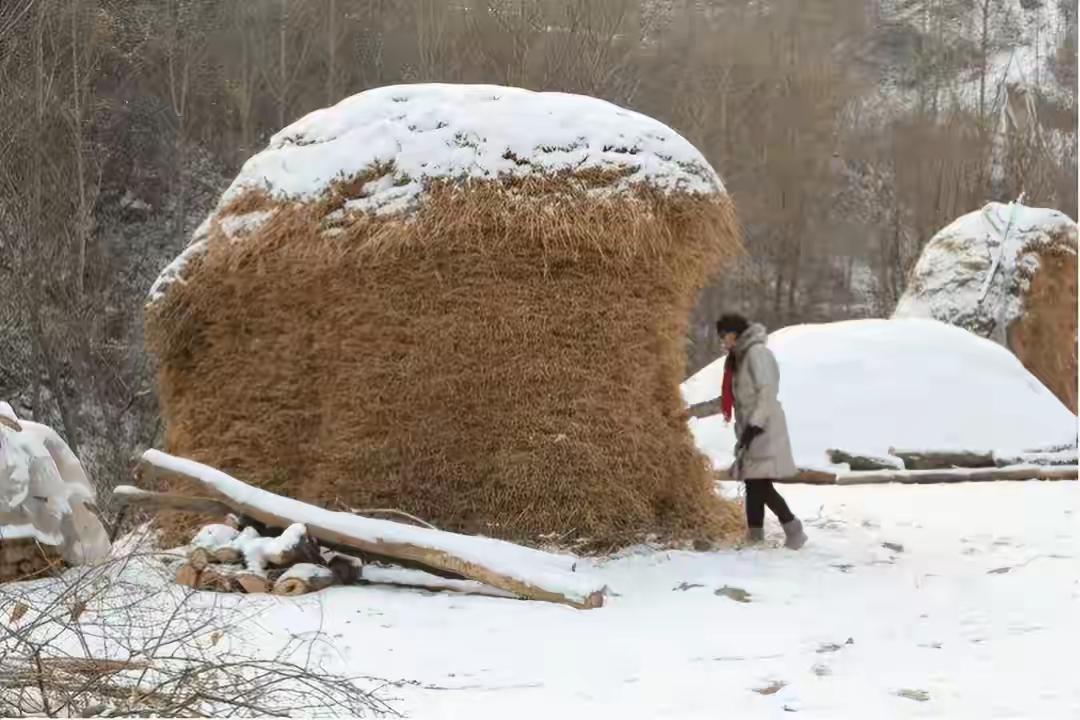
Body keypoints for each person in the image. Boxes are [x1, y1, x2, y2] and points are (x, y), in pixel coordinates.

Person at [715, 314, 807, 549]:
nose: (722, 343)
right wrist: (693, 410)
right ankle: (755, 535)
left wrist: (754, 426)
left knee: (759, 484)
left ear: (734, 334)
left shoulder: (757, 353)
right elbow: (730, 398)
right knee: (754, 482)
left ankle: (793, 528)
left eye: (723, 336)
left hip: (764, 427)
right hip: (751, 429)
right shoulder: (739, 359)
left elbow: (767, 391)